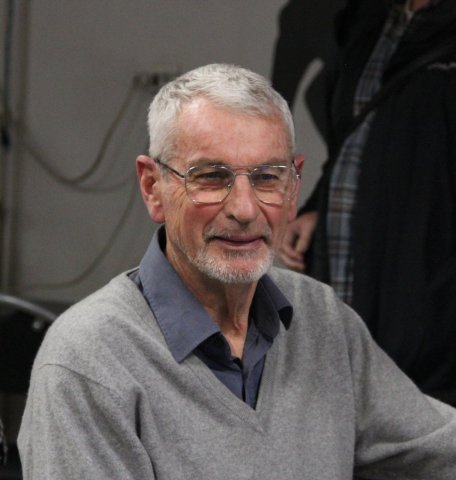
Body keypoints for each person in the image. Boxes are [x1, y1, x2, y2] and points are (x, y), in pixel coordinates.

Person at [18, 64, 456, 479]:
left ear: (293, 187)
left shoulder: (321, 319)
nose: (245, 209)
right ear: (153, 187)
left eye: (267, 177)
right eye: (211, 176)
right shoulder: (88, 361)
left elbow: (438, 451)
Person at [276, 0, 456, 406]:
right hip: (347, 263)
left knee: (412, 413)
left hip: (423, 283)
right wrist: (318, 205)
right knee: (340, 399)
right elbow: (353, 135)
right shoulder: (366, 19)